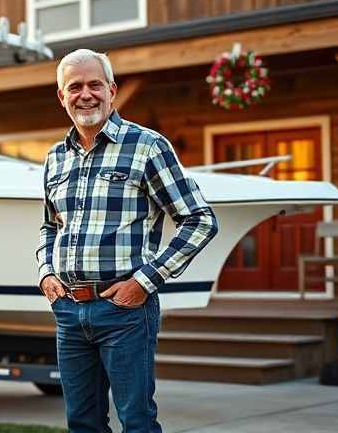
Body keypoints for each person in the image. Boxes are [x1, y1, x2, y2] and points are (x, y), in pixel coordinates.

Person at [36, 49, 219, 433]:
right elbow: (50, 227)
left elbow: (200, 220)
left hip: (125, 313)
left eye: (94, 85)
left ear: (112, 90)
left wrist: (143, 283)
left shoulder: (147, 146)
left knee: (136, 422)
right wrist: (46, 273)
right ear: (61, 96)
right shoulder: (55, 158)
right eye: (75, 87)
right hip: (69, 312)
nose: (85, 94)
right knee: (81, 423)